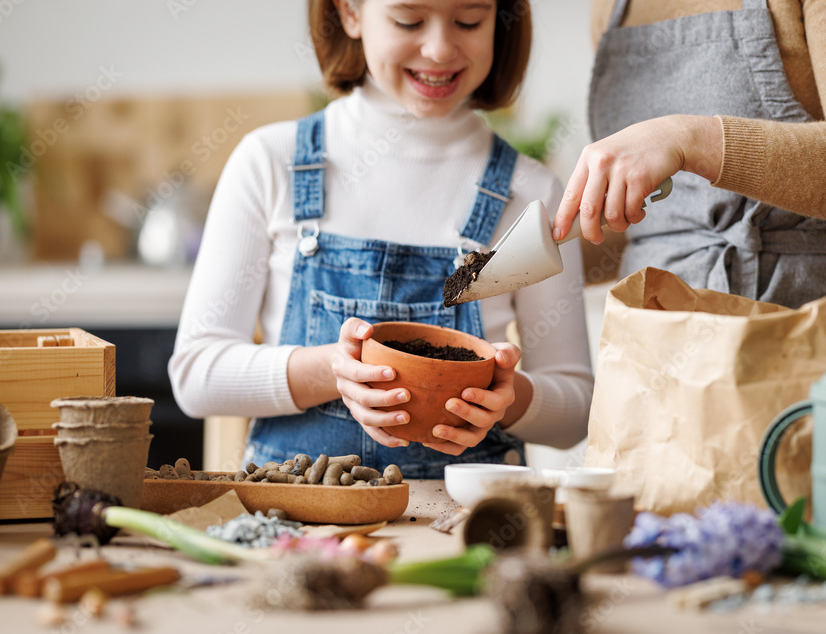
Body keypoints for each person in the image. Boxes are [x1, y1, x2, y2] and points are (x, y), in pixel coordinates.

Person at [168, 0, 594, 478]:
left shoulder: (529, 193)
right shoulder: (271, 162)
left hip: (463, 529)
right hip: (297, 525)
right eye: (408, 20)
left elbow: (577, 410)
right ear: (350, 12)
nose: (439, 48)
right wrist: (336, 368)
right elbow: (195, 375)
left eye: (469, 21)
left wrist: (508, 397)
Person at [552, 0, 826, 308]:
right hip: (653, 350)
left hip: (811, 336)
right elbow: (664, 227)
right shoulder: (609, 8)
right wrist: (531, 256)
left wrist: (691, 140)